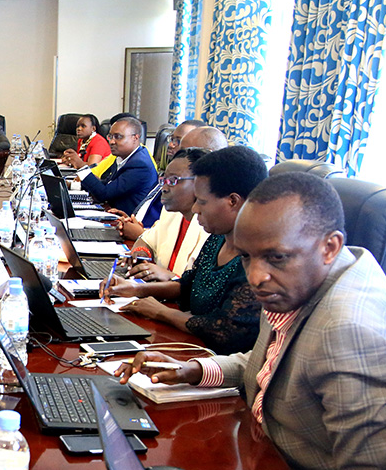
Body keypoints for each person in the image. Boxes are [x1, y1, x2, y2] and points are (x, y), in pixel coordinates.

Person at [114, 172, 386, 469]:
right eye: (247, 257)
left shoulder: (351, 334)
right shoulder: (304, 278)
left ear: (330, 247)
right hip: (256, 446)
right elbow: (274, 365)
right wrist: (190, 370)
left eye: (276, 257)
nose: (256, 277)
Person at [100, 146, 268, 354]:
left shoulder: (256, 259)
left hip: (215, 363)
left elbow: (224, 331)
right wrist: (136, 289)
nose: (196, 209)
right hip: (190, 346)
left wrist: (160, 311)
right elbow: (188, 284)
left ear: (233, 201)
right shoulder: (218, 238)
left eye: (202, 202)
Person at [116, 125, 228, 240]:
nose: (171, 146)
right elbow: (157, 238)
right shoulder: (174, 197)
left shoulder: (211, 220)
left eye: (186, 150)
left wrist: (140, 234)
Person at [122, 148, 210, 282]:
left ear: (200, 183)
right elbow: (146, 240)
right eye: (164, 179)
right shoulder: (172, 213)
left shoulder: (212, 227)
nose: (164, 188)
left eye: (173, 180)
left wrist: (170, 276)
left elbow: (201, 289)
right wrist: (140, 254)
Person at [60, 117, 157, 215]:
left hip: (126, 221)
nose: (112, 141)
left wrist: (81, 167)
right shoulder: (123, 157)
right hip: (112, 212)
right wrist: (72, 185)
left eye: (118, 137)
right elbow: (106, 184)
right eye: (110, 136)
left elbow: (104, 194)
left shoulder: (140, 164)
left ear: (135, 138)